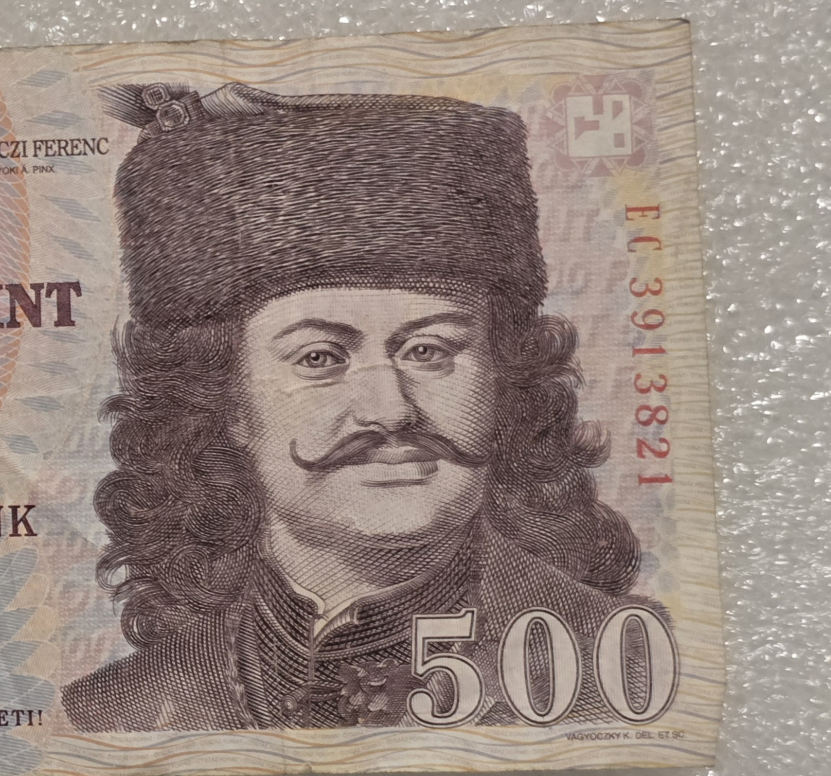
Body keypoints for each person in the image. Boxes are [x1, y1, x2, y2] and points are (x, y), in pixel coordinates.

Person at [62, 82, 666, 731]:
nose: (390, 410)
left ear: (502, 377)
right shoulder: (115, 713)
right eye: (320, 357)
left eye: (430, 350)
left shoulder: (628, 666)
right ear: (224, 400)